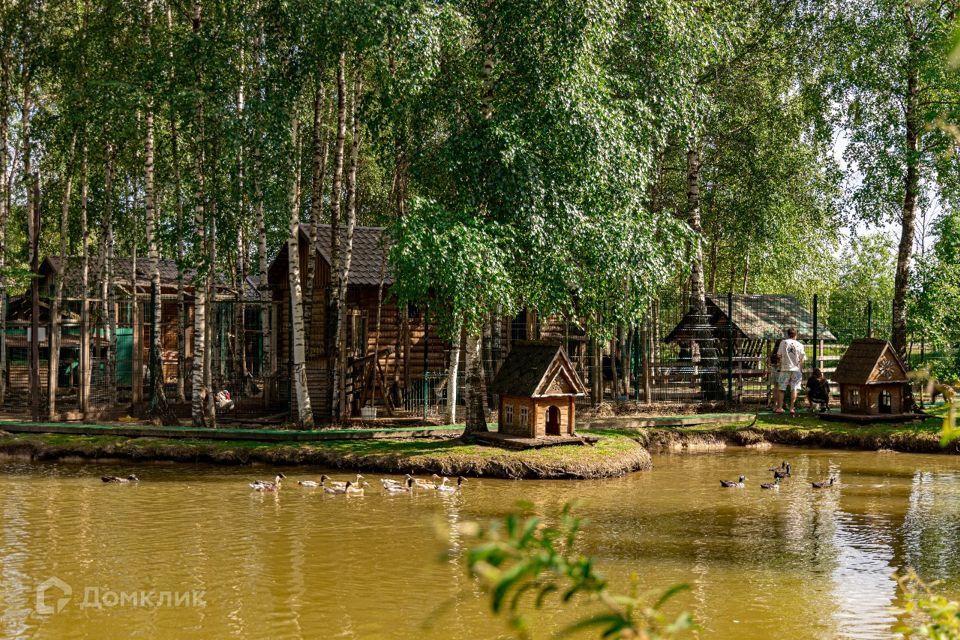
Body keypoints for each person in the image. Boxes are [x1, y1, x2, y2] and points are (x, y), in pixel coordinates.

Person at [775, 328, 805, 416]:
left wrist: (780, 365)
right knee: (794, 388)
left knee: (781, 388)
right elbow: (802, 359)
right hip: (796, 369)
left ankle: (780, 408)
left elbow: (779, 356)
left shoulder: (783, 342)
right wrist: (800, 369)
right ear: (796, 335)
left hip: (785, 368)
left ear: (788, 334)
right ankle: (792, 408)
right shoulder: (800, 345)